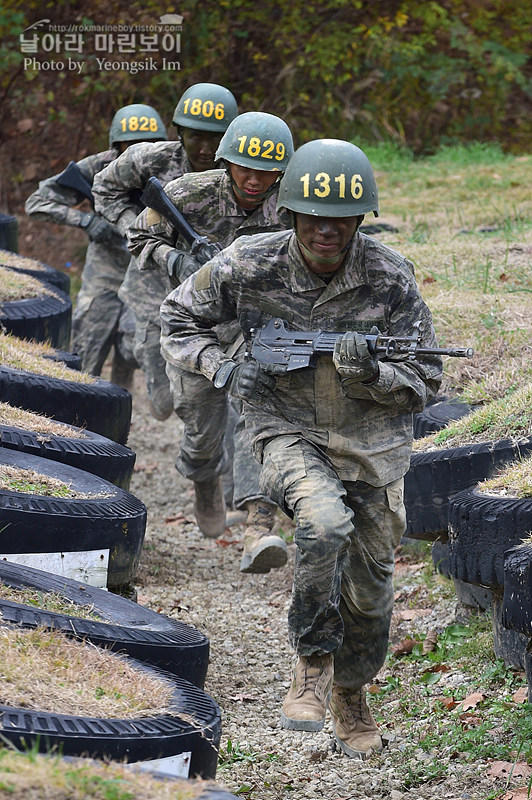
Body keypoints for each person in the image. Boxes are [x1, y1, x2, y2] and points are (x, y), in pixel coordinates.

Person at [158, 139, 443, 758]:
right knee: (321, 523)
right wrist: (222, 365)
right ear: (288, 211)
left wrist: (372, 376)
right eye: (312, 215)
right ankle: (310, 667)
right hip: (284, 427)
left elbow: (427, 380)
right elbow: (178, 320)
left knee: (371, 588)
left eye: (340, 217)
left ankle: (350, 693)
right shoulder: (247, 264)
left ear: (361, 218)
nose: (325, 229)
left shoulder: (390, 278)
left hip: (372, 446)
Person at [127, 111, 295, 552]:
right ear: (226, 162)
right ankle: (204, 482)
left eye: (267, 171)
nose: (255, 180)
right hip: (192, 327)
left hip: (254, 326)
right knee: (202, 435)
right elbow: (139, 238)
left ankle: (259, 523)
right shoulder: (188, 193)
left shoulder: (291, 207)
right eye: (245, 168)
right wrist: (179, 262)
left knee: (257, 413)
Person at [92, 83, 238, 419]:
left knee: (212, 393)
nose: (204, 148)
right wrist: (139, 229)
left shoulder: (240, 173)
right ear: (179, 132)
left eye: (214, 138)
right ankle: (127, 353)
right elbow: (104, 187)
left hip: (211, 294)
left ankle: (214, 460)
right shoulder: (151, 157)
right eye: (195, 136)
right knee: (161, 404)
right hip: (152, 286)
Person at [25, 103, 167, 388]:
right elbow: (37, 202)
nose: (139, 152)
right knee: (86, 348)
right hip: (104, 267)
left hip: (147, 269)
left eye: (147, 145)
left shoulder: (170, 167)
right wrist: (85, 221)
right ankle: (77, 414)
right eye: (131, 146)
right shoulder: (98, 166)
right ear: (117, 146)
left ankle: (119, 405)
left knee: (137, 346)